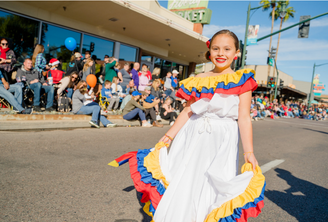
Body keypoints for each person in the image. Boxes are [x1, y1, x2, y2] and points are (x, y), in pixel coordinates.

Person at [109, 30, 265, 222]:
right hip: (192, 133)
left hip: (222, 138)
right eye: (216, 48)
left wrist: (248, 152)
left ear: (236, 53)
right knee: (184, 179)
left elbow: (244, 117)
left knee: (215, 184)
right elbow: (187, 111)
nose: (221, 53)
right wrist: (168, 137)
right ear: (209, 51)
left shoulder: (243, 80)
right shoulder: (197, 79)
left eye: (227, 49)